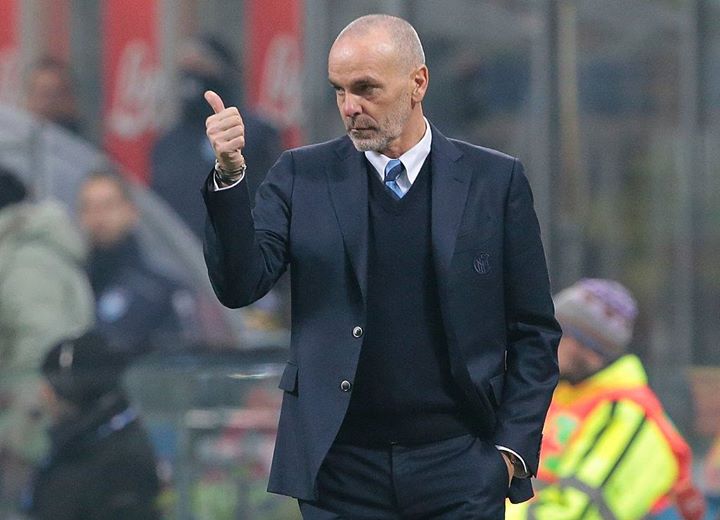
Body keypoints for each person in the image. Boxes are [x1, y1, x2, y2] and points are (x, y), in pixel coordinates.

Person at [201, 14, 561, 519]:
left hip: (459, 466)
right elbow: (240, 284)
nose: (350, 107)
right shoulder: (301, 176)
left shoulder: (494, 181)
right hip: (340, 472)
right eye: (339, 90)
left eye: (366, 88)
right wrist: (230, 175)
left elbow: (534, 331)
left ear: (418, 83)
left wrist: (508, 455)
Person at [506, 279, 705, 520]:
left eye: (556, 331)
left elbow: (577, 513)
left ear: (587, 344)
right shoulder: (563, 393)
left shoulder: (627, 415)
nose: (544, 341)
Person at [0, 168, 94, 511]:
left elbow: (43, 345)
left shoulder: (28, 260)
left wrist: (17, 427)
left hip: (27, 429)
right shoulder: (25, 250)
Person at [151, 34, 282, 240]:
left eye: (201, 66)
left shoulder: (253, 133)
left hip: (237, 249)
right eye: (186, 68)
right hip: (182, 253)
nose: (191, 77)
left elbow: (272, 201)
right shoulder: (167, 143)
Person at [24, 330, 160, 519]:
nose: (43, 397)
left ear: (72, 388)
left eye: (51, 386)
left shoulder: (120, 457)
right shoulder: (75, 445)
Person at [78, 171, 195, 355]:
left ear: (131, 212)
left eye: (108, 206)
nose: (98, 217)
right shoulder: (72, 283)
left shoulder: (159, 291)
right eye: (89, 208)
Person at [25, 57, 82, 135]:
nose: (46, 104)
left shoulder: (78, 139)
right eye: (42, 94)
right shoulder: (18, 133)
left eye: (53, 95)